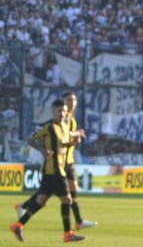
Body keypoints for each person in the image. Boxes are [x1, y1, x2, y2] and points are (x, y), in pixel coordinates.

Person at [15, 92, 96, 229]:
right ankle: (74, 225)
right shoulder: (53, 123)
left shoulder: (71, 121)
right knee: (53, 195)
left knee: (56, 193)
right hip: (57, 164)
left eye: (74, 100)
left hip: (67, 161)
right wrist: (43, 149)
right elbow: (38, 137)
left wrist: (75, 139)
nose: (72, 103)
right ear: (62, 102)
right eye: (69, 100)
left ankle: (77, 221)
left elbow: (66, 139)